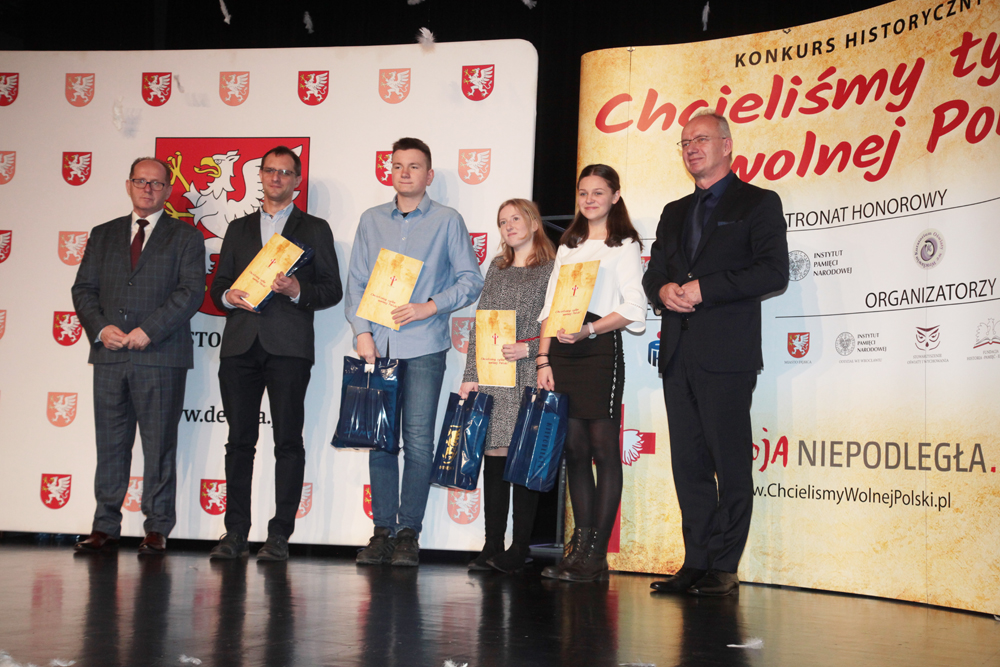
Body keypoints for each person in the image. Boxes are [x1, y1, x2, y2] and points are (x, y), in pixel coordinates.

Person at [642, 111, 788, 596]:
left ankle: (724, 565)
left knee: (730, 462)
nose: (691, 147)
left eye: (701, 139)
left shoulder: (758, 202)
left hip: (727, 355)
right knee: (689, 464)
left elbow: (773, 272)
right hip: (677, 353)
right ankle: (696, 561)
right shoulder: (674, 211)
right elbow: (653, 273)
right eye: (685, 141)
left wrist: (706, 287)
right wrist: (663, 290)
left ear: (727, 145)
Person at [346, 137, 484, 566]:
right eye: (398, 165)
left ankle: (409, 532)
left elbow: (471, 280)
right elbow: (357, 282)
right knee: (380, 441)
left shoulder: (447, 220)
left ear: (429, 175)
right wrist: (361, 332)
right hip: (378, 347)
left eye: (414, 166)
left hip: (424, 345)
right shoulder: (371, 220)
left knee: (419, 441)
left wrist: (430, 305)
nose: (405, 173)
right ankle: (381, 532)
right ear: (389, 171)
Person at [208, 145, 343, 562]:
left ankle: (280, 534)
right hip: (239, 347)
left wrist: (298, 290)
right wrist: (229, 296)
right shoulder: (238, 228)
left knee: (288, 441)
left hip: (288, 349)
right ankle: (235, 532)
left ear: (297, 180)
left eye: (285, 172)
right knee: (238, 442)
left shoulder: (314, 228)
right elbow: (218, 288)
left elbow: (332, 290)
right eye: (270, 170)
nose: (276, 178)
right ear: (261, 176)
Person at [71, 157, 205, 555]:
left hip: (160, 356)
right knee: (110, 445)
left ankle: (157, 527)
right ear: (128, 185)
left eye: (156, 183)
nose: (148, 188)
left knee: (159, 446)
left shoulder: (186, 237)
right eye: (141, 181)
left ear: (167, 191)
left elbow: (191, 292)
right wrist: (101, 329)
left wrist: (150, 330)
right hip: (110, 356)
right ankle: (104, 526)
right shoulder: (103, 234)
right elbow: (83, 290)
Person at [537, 164, 646, 582]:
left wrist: (590, 329)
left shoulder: (625, 245)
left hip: (598, 350)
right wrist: (543, 359)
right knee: (575, 452)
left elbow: (633, 307)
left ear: (615, 196)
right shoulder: (569, 245)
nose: (589, 200)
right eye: (583, 193)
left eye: (598, 192)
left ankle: (597, 554)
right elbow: (550, 308)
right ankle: (579, 550)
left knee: (603, 452)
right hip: (562, 354)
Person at [459, 199, 556, 573]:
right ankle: (492, 544)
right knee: (495, 454)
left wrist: (530, 350)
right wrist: (471, 374)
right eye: (502, 221)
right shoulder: (496, 268)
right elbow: (481, 322)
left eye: (516, 218)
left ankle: (520, 547)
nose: (509, 226)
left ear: (534, 222)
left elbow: (556, 322)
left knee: (525, 457)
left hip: (530, 372)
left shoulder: (552, 268)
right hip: (494, 374)